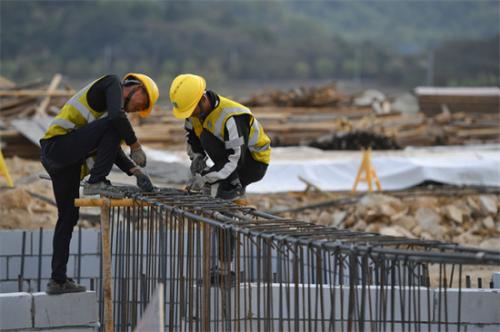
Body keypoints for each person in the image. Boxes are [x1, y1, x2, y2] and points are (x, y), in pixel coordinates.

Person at [40, 73, 159, 294]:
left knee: (68, 218)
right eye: (141, 104)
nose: (136, 111)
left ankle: (57, 280)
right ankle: (96, 181)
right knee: (116, 123)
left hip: (66, 164)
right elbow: (116, 119)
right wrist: (135, 144)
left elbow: (112, 147)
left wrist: (135, 171)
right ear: (136, 89)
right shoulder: (110, 83)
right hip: (57, 146)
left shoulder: (112, 116)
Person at [169, 74, 271, 202]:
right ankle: (229, 185)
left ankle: (233, 187)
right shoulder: (193, 112)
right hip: (234, 157)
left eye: (191, 110)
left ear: (203, 99)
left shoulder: (232, 117)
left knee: (207, 139)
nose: (190, 115)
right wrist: (197, 159)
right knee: (205, 137)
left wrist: (206, 177)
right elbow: (191, 137)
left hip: (253, 163)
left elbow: (236, 158)